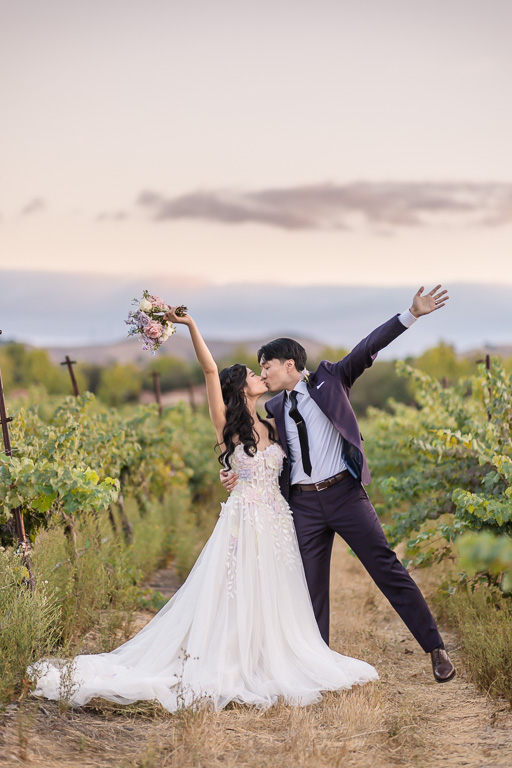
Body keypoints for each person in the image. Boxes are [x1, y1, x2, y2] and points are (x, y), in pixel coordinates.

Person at [28, 310, 378, 713]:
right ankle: (231, 661)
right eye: (253, 373)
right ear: (239, 386)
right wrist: (190, 325)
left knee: (277, 593)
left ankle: (273, 658)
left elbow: (293, 463)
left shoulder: (272, 422)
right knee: (239, 592)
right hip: (244, 521)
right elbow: (210, 371)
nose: (261, 375)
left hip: (278, 521)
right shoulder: (227, 425)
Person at [221, 285, 456, 684]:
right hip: (304, 505)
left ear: (291, 363)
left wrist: (411, 314)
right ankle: (317, 667)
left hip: (345, 495)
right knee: (309, 588)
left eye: (267, 367)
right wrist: (233, 471)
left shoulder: (332, 377)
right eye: (259, 370)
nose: (262, 374)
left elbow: (368, 346)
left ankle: (436, 648)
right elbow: (256, 449)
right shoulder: (274, 407)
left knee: (387, 567)